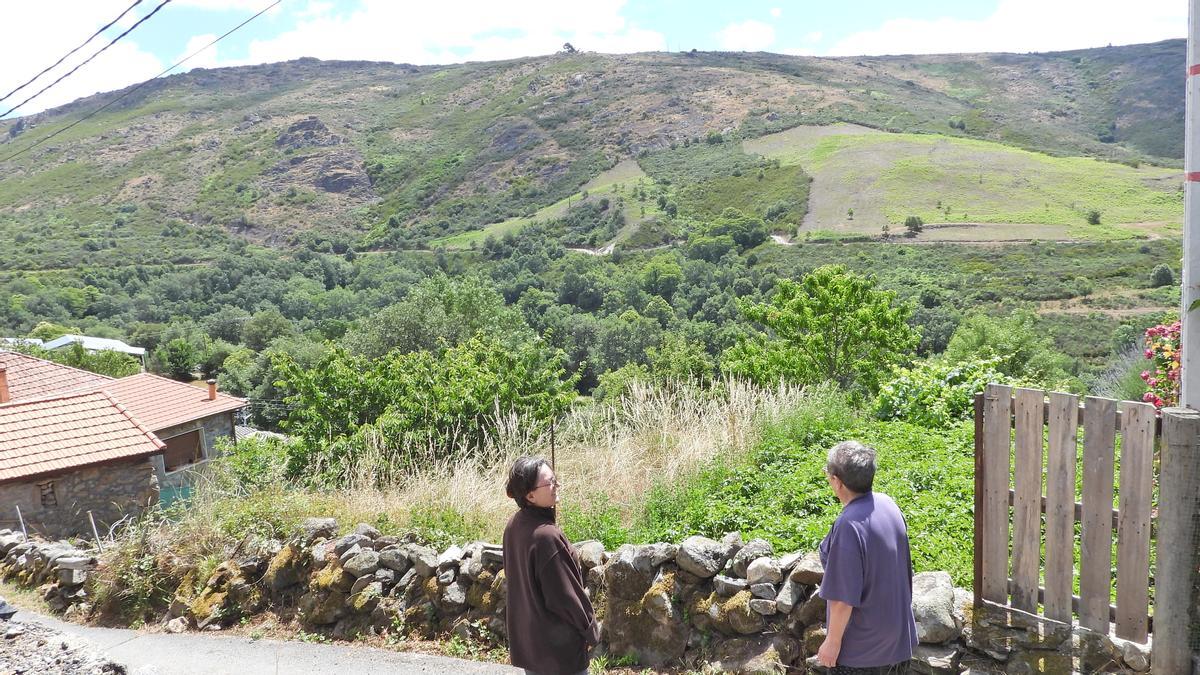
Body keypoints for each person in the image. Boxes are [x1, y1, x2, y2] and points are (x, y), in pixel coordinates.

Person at [816, 441, 917, 674]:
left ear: (837, 481)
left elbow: (842, 598)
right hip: (898, 645)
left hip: (863, 655)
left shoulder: (849, 526)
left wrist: (832, 642)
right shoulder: (888, 504)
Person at [502, 456, 599, 675]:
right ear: (530, 495)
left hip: (531, 647)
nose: (557, 486)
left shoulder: (514, 525)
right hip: (558, 654)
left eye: (555, 479)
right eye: (550, 483)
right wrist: (590, 630)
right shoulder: (547, 536)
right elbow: (565, 596)